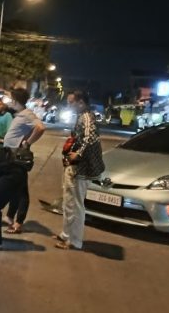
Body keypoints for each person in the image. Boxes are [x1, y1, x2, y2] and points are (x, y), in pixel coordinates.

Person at [55, 90, 105, 250]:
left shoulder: (87, 117)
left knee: (75, 204)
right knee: (68, 202)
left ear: (81, 102)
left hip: (81, 168)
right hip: (75, 166)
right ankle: (66, 234)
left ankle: (75, 240)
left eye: (71, 102)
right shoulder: (82, 116)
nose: (69, 105)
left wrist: (78, 154)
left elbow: (90, 139)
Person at [1, 88, 46, 234]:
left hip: (18, 157)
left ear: (15, 100)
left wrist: (27, 143)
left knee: (21, 191)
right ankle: (10, 217)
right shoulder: (20, 114)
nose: (8, 101)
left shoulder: (27, 114)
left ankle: (18, 223)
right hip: (11, 155)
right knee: (15, 188)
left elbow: (40, 128)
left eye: (10, 98)